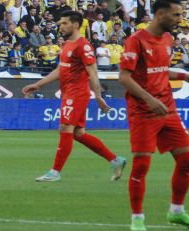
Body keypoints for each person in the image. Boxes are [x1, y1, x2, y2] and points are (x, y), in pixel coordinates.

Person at [119, 0, 189, 231]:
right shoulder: (136, 41)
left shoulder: (167, 39)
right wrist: (148, 98)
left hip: (167, 108)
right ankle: (137, 218)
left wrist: (184, 75)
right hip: (144, 111)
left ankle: (176, 212)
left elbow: (160, 70)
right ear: (160, 14)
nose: (180, 19)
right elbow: (124, 77)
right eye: (176, 14)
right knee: (142, 166)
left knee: (187, 160)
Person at [22, 11, 126, 182]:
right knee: (78, 133)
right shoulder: (68, 44)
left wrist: (98, 96)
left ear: (75, 25)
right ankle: (115, 160)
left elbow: (92, 72)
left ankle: (55, 172)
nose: (60, 26)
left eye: (64, 23)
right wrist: (38, 84)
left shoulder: (83, 45)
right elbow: (60, 70)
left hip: (77, 93)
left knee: (65, 128)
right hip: (69, 93)